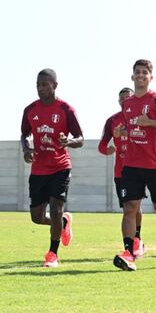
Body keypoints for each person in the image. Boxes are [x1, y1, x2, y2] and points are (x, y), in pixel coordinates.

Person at [113, 59, 156, 271]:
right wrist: (121, 132)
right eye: (137, 72)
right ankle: (128, 252)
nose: (141, 75)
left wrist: (150, 122)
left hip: (155, 165)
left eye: (145, 72)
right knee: (129, 208)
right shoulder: (127, 104)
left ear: (151, 77)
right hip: (132, 165)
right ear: (132, 76)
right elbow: (132, 127)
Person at [21, 68, 84, 268]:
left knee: (56, 209)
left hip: (60, 167)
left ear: (55, 85)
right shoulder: (30, 110)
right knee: (37, 217)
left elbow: (80, 138)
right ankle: (63, 224)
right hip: (39, 170)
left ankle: (52, 254)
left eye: (45, 85)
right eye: (38, 85)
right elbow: (24, 135)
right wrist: (26, 148)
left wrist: (69, 141)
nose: (41, 89)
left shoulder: (66, 110)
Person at [98, 87, 145, 257]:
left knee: (134, 207)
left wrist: (128, 132)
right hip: (121, 172)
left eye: (128, 97)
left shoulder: (141, 118)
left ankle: (136, 241)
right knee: (128, 208)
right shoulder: (112, 121)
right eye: (122, 98)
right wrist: (108, 150)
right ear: (119, 102)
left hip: (140, 168)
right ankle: (132, 244)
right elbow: (101, 146)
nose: (125, 100)